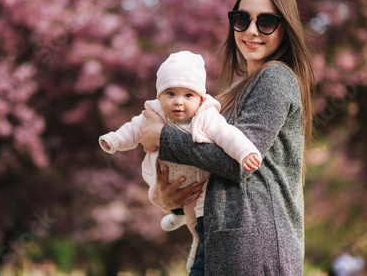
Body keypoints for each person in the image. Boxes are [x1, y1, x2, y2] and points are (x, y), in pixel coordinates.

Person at [140, 0, 314, 275]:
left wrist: (162, 137)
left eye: (266, 22)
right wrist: (174, 202)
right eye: (242, 19)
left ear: (285, 28)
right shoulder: (235, 91)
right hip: (222, 243)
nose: (251, 31)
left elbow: (239, 163)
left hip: (255, 248)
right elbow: (211, 171)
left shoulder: (276, 77)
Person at [98, 50, 262, 271]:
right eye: (171, 93)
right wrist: (115, 140)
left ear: (200, 98)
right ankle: (176, 216)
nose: (178, 102)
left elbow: (228, 136)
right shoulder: (154, 113)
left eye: (188, 96)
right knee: (157, 195)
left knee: (197, 225)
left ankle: (194, 247)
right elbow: (133, 130)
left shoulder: (206, 117)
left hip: (198, 186)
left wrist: (245, 152)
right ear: (159, 95)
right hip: (162, 179)